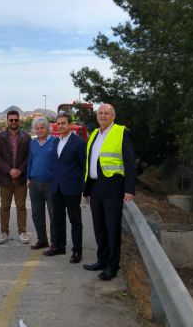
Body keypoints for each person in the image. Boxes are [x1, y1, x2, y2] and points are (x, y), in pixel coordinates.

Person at [83, 104, 136, 281]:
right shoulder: (94, 135)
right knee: (99, 227)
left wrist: (129, 189)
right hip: (95, 187)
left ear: (113, 116)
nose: (103, 116)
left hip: (113, 188)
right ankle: (102, 260)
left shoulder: (121, 132)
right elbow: (90, 163)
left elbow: (129, 163)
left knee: (112, 228)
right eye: (100, 113)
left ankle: (112, 266)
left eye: (107, 113)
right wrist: (87, 189)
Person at [43, 112, 86, 264]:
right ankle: (58, 246)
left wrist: (83, 188)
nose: (60, 126)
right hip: (57, 187)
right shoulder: (55, 142)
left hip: (72, 188)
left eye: (63, 123)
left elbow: (83, 167)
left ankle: (77, 251)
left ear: (69, 124)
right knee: (57, 219)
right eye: (58, 123)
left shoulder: (79, 143)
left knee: (75, 221)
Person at [0, 110, 32, 244]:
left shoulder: (26, 137)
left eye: (16, 120)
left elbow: (29, 156)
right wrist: (9, 170)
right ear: (7, 121)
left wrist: (19, 170)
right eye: (11, 120)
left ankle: (23, 232)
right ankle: (4, 232)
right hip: (5, 177)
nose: (13, 122)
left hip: (20, 178)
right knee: (5, 206)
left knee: (21, 206)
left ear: (19, 121)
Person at [26, 117, 56, 250]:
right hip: (34, 182)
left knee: (53, 213)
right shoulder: (32, 143)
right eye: (37, 128)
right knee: (37, 214)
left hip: (50, 183)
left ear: (47, 128)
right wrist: (28, 177)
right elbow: (30, 162)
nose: (40, 130)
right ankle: (42, 239)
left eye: (42, 128)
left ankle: (55, 242)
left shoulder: (55, 142)